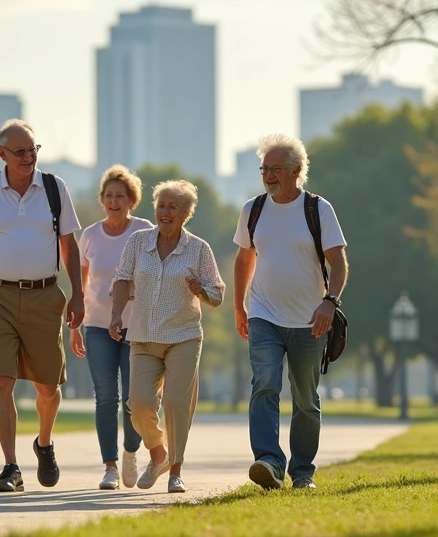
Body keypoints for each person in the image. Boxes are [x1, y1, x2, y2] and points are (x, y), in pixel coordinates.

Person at [0, 119, 83, 493]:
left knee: (48, 387)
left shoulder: (54, 188)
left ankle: (43, 443)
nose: (28, 158)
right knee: (2, 380)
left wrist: (77, 293)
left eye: (33, 150)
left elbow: (70, 246)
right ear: (2, 155)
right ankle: (10, 466)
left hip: (45, 295)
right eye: (20, 152)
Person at [233, 134, 348, 490]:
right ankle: (268, 461)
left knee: (306, 400)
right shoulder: (253, 210)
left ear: (296, 171)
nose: (268, 175)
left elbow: (339, 262)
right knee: (264, 383)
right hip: (263, 314)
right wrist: (239, 305)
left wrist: (330, 301)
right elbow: (244, 258)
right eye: (264, 168)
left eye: (276, 169)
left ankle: (302, 473)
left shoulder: (317, 209)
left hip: (310, 320)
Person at [109, 180, 224, 494]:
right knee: (139, 404)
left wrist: (202, 289)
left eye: (173, 206)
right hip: (143, 336)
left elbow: (217, 294)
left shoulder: (199, 249)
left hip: (183, 336)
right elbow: (122, 278)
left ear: (186, 214)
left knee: (175, 403)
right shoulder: (138, 242)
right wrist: (117, 314)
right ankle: (158, 455)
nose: (165, 211)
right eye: (161, 205)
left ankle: (176, 471)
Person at [70, 165, 152, 490]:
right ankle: (110, 467)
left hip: (137, 328)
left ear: (132, 200)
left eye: (120, 196)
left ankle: (131, 451)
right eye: (108, 196)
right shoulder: (90, 235)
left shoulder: (145, 231)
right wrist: (75, 326)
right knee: (105, 397)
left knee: (135, 399)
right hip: (97, 326)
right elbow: (81, 283)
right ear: (102, 199)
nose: (114, 201)